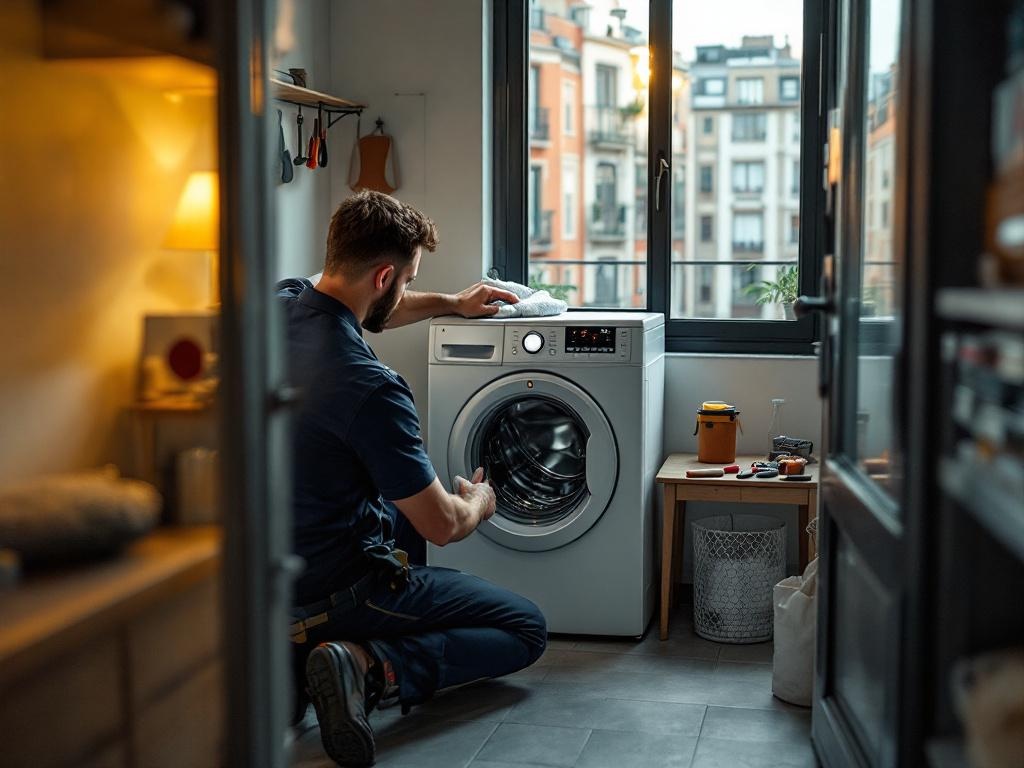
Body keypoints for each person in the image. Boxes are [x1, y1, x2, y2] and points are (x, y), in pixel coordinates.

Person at [277, 191, 547, 767]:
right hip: (337, 586)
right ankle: (367, 665)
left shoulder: (282, 302)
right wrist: (480, 500)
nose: (405, 292)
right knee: (525, 627)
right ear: (384, 276)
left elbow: (377, 308)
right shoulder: (372, 387)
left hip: (273, 571)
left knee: (396, 507)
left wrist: (453, 302)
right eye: (407, 281)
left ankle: (295, 661)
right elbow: (443, 525)